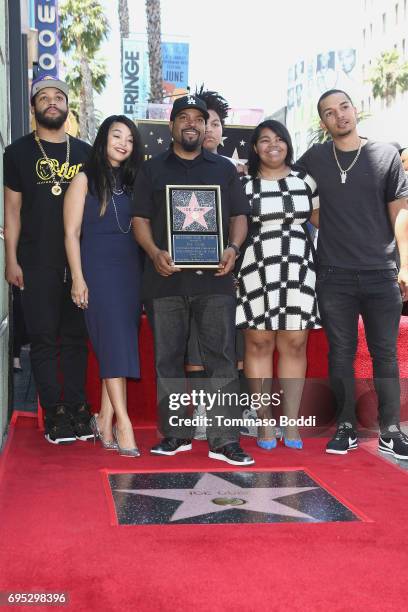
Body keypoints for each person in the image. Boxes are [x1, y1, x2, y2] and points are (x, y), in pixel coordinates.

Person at [132, 94, 254, 466]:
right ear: (171, 125)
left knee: (221, 359)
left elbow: (239, 216)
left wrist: (233, 248)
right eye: (182, 117)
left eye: (197, 118)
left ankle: (224, 440)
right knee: (167, 359)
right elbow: (139, 221)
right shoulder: (151, 170)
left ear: (206, 126)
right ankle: (175, 434)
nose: (190, 123)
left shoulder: (223, 169)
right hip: (164, 282)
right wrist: (154, 253)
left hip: (215, 282)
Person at [297, 89, 408, 459]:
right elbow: (290, 192)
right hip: (333, 274)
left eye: (343, 107)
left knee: (385, 354)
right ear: (323, 122)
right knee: (341, 354)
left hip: (381, 272)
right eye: (329, 112)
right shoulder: (314, 158)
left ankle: (390, 430)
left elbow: (400, 214)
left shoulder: (385, 154)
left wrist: (405, 264)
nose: (339, 116)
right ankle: (345, 428)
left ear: (354, 109)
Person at [3, 75, 92, 444]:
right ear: (33, 106)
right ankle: (54, 412)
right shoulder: (18, 152)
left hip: (79, 263)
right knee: (43, 340)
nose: (52, 102)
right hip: (36, 260)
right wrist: (11, 260)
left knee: (75, 339)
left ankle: (76, 408)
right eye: (44, 98)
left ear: (67, 105)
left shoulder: (86, 153)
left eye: (58, 97)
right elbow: (11, 210)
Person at [236, 120, 320, 450]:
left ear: (288, 144)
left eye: (279, 139)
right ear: (255, 148)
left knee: (295, 343)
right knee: (258, 342)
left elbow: (323, 221)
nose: (273, 145)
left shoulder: (305, 181)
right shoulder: (242, 183)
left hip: (298, 268)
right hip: (256, 267)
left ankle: (291, 423)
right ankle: (264, 422)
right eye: (265, 140)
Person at [64, 116, 143, 457]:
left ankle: (104, 417)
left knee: (119, 343)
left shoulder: (133, 182)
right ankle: (124, 423)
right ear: (103, 139)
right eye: (116, 135)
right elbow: (71, 234)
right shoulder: (83, 179)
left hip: (130, 273)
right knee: (113, 345)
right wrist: (78, 278)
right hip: (97, 271)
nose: (123, 143)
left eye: (129, 138)